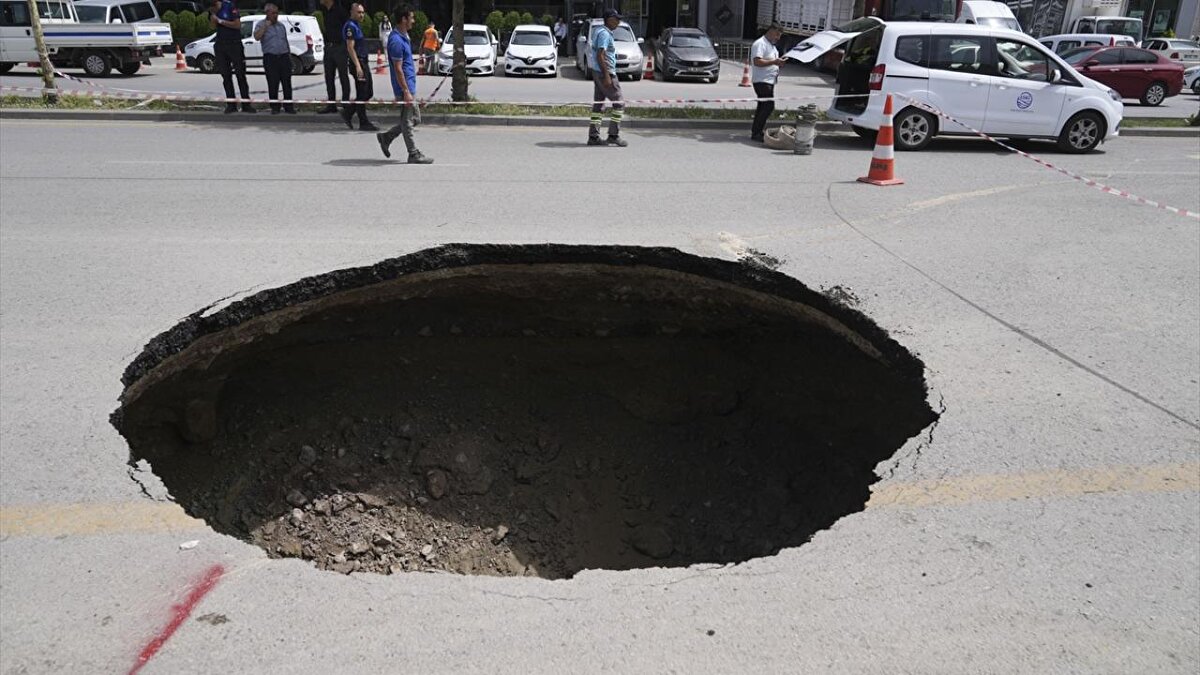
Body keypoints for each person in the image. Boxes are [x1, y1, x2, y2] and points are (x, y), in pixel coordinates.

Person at [377, 4, 433, 164]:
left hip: (409, 85)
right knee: (408, 121)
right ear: (404, 19)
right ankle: (413, 153)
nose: (414, 21)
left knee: (415, 119)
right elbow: (398, 69)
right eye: (412, 17)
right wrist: (406, 91)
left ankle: (386, 137)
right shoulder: (395, 41)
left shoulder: (403, 36)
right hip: (405, 87)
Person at [587, 9, 626, 147]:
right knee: (619, 103)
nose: (618, 22)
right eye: (617, 19)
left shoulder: (599, 31)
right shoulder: (604, 34)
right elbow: (600, 55)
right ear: (609, 20)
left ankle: (593, 137)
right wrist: (607, 75)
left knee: (598, 105)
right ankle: (613, 135)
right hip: (605, 73)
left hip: (597, 72)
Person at [210, 0, 254, 113]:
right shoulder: (213, 9)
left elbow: (237, 25)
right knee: (226, 76)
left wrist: (220, 20)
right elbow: (213, 26)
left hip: (234, 44)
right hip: (221, 45)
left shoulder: (230, 6)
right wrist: (214, 17)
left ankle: (246, 105)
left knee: (240, 75)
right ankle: (231, 104)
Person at [341, 3, 378, 131]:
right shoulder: (350, 26)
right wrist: (357, 66)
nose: (361, 15)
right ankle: (363, 122)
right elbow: (350, 47)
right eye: (359, 12)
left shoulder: (356, 25)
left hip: (363, 62)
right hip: (358, 62)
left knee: (368, 92)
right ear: (352, 12)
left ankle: (348, 112)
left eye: (362, 12)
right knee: (362, 92)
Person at [254, 4, 295, 114]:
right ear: (267, 13)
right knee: (273, 83)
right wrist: (266, 27)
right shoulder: (260, 24)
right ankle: (275, 107)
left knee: (287, 83)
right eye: (273, 13)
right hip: (270, 58)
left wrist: (289, 57)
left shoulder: (281, 26)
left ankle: (289, 106)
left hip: (284, 56)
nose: (275, 15)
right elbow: (256, 37)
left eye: (277, 13)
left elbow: (285, 41)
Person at [750, 24, 787, 142]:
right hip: (762, 80)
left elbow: (771, 61)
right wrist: (774, 62)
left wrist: (778, 63)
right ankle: (756, 132)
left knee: (763, 106)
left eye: (779, 36)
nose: (778, 38)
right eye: (777, 34)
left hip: (769, 80)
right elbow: (757, 61)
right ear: (771, 31)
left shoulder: (771, 46)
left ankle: (756, 131)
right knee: (768, 106)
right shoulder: (760, 44)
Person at [317, 0, 350, 115]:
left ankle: (346, 104)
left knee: (343, 76)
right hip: (329, 47)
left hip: (340, 47)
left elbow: (347, 28)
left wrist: (345, 46)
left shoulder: (340, 11)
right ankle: (331, 104)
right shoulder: (325, 11)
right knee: (329, 77)